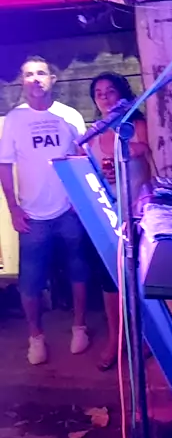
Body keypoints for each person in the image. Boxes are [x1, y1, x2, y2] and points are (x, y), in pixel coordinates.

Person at [0, 56, 90, 365]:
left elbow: (82, 157)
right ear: (22, 81)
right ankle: (35, 337)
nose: (35, 79)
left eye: (41, 73)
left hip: (69, 210)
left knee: (79, 270)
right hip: (32, 215)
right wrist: (13, 208)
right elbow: (4, 165)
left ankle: (80, 327)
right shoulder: (14, 119)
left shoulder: (70, 115)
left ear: (53, 79)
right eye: (28, 74)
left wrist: (82, 200)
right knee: (30, 280)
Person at [88, 72, 151, 370]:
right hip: (106, 217)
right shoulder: (92, 134)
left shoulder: (137, 126)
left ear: (123, 94)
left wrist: (130, 152)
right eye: (98, 93)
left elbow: (150, 157)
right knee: (110, 282)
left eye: (110, 91)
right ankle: (115, 339)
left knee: (139, 279)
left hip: (138, 216)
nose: (104, 97)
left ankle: (146, 337)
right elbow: (88, 173)